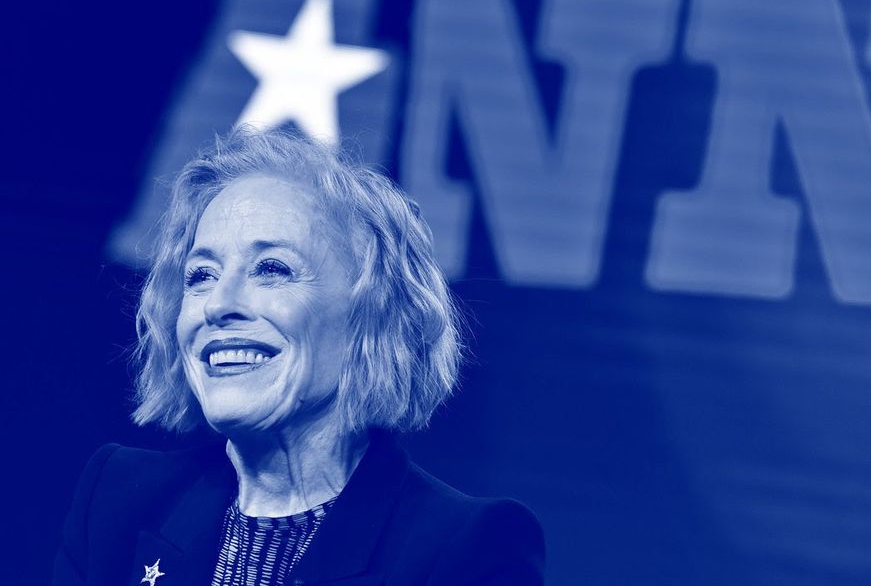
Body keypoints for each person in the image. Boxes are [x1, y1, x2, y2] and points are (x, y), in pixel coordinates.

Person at [53, 127, 545, 586]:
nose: (219, 305)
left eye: (272, 269)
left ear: (373, 316)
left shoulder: (467, 548)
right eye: (200, 275)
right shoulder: (118, 500)